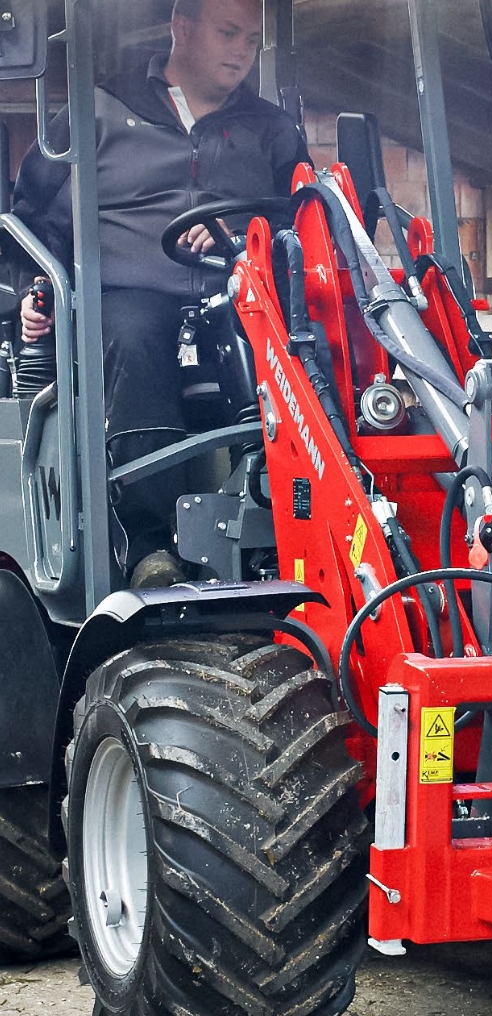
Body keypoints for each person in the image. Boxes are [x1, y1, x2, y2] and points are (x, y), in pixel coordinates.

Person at [11, 0, 306, 583]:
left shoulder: (271, 130)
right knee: (136, 331)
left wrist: (245, 233)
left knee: (299, 344)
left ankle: (291, 527)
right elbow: (30, 221)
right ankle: (150, 546)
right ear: (181, 27)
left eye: (251, 38)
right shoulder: (98, 110)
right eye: (228, 33)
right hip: (126, 295)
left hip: (239, 295)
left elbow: (301, 222)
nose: (242, 50)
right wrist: (30, 290)